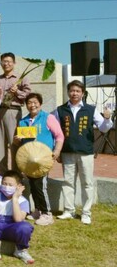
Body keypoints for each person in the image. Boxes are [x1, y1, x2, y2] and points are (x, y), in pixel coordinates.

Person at [54, 80, 113, 225]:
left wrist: (107, 118)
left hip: (86, 152)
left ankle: (86, 213)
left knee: (87, 183)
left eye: (77, 91)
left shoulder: (90, 109)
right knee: (68, 182)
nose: (74, 93)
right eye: (72, 90)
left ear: (83, 93)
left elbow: (104, 128)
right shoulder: (60, 110)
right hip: (67, 151)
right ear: (68, 92)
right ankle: (69, 210)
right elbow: (55, 131)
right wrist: (57, 150)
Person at [14, 93, 64, 226]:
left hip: (43, 159)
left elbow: (59, 135)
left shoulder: (48, 117)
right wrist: (17, 140)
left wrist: (57, 151)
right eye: (29, 103)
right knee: (33, 185)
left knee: (41, 185)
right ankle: (37, 210)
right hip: (28, 160)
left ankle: (47, 213)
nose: (32, 105)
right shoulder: (23, 121)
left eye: (35, 102)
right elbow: (21, 141)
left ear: (40, 104)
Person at [0, 52, 31, 173]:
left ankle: (16, 173)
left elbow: (28, 95)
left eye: (9, 61)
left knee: (15, 143)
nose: (6, 64)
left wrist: (17, 91)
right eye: (4, 61)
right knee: (0, 144)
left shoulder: (21, 78)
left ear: (14, 63)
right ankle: (3, 173)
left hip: (14, 112)